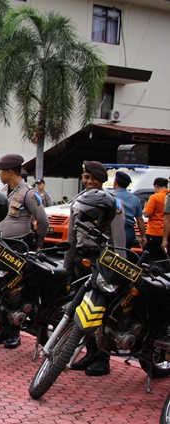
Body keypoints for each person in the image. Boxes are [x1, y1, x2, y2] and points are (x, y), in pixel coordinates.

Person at [67, 160, 125, 377]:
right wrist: (67, 266)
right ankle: (90, 352)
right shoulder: (78, 201)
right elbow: (72, 237)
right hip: (81, 261)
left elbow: (118, 238)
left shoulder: (112, 202)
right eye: (86, 177)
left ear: (101, 180)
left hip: (103, 261)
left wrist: (118, 269)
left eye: (93, 178)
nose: (89, 181)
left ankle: (103, 358)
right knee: (82, 310)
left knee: (101, 311)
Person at [0, 154, 49, 349]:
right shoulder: (2, 191)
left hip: (19, 247)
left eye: (1, 171)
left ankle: (14, 332)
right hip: (2, 246)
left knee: (15, 290)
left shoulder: (29, 194)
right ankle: (2, 328)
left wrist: (37, 245)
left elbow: (43, 221)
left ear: (10, 172)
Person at [113, 171, 146, 259]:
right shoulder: (135, 199)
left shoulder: (111, 197)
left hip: (114, 231)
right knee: (124, 255)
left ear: (115, 182)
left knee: (111, 256)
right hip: (129, 233)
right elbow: (140, 219)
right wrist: (143, 236)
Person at [143, 177, 170, 264]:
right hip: (167, 232)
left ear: (156, 186)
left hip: (154, 232)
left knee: (150, 258)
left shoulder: (155, 197)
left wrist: (145, 208)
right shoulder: (168, 196)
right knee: (164, 258)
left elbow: (147, 214)